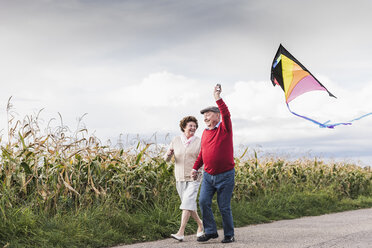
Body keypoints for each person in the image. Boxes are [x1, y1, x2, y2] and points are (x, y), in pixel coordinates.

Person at [191, 84, 235, 243]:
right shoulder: (204, 132)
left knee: (224, 206)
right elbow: (203, 153)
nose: (205, 118)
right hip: (209, 176)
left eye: (208, 114)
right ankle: (210, 231)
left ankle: (229, 234)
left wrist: (217, 97)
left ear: (217, 115)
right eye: (204, 116)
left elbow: (227, 114)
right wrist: (196, 167)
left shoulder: (225, 128)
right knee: (203, 201)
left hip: (226, 175)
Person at [164, 116, 204, 242]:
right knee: (188, 205)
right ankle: (201, 224)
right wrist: (168, 155)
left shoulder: (199, 141)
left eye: (194, 126)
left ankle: (181, 232)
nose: (193, 128)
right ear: (184, 127)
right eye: (190, 125)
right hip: (179, 178)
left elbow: (203, 158)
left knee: (187, 202)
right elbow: (166, 159)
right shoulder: (176, 140)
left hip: (195, 177)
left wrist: (198, 171)